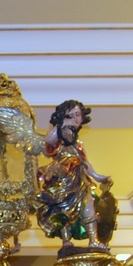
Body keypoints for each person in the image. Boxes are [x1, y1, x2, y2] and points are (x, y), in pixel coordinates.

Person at [36, 100, 113, 250]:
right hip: (62, 178)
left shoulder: (78, 144)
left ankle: (94, 240)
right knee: (62, 208)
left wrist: (98, 177)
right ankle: (66, 240)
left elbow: (85, 163)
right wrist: (63, 123)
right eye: (71, 115)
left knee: (89, 202)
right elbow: (48, 139)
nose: (75, 119)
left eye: (78, 115)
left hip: (79, 178)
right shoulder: (58, 138)